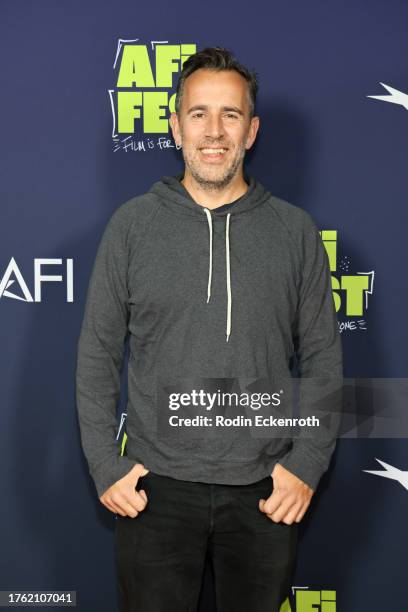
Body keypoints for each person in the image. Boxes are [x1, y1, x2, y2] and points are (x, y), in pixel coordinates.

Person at [76, 46, 343, 612]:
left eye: (231, 114)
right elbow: (97, 353)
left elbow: (323, 358)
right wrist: (105, 462)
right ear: (175, 127)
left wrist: (306, 464)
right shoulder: (132, 226)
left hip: (266, 492)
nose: (214, 131)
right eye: (199, 114)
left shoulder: (295, 232)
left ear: (252, 130)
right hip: (154, 490)